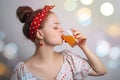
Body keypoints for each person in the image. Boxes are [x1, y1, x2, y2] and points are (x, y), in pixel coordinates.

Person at [10, 5, 107, 80]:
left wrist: (83, 46)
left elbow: (100, 71)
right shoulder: (21, 71)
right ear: (39, 34)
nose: (62, 30)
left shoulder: (69, 60)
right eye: (55, 27)